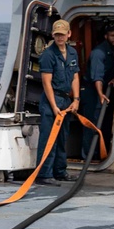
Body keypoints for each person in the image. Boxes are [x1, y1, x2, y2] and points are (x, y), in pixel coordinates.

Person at [35, 19, 80, 186]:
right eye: (57, 35)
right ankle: (44, 174)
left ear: (69, 34)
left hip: (66, 100)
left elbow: (75, 77)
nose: (60, 37)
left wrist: (76, 100)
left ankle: (60, 171)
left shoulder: (73, 53)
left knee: (62, 138)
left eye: (62, 34)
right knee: (48, 138)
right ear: (53, 35)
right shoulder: (48, 55)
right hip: (51, 101)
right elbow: (46, 83)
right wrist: (54, 106)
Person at [80, 24, 114, 159]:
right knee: (92, 123)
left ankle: (99, 153)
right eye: (113, 36)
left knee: (104, 122)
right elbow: (97, 77)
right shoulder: (99, 52)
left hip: (103, 90)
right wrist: (100, 94)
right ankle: (88, 156)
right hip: (92, 92)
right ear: (106, 36)